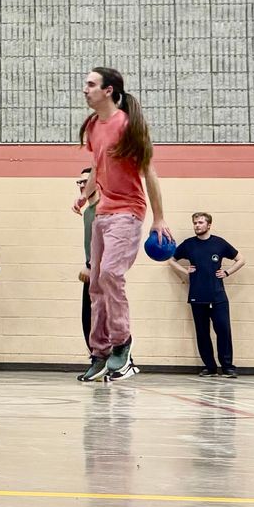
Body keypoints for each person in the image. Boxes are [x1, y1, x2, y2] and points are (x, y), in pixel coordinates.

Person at [74, 67, 173, 383]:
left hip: (128, 212)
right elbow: (97, 166)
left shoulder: (128, 126)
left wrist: (159, 217)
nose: (85, 89)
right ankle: (100, 353)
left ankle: (122, 344)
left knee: (110, 274)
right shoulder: (93, 126)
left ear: (108, 90)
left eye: (91, 84)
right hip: (103, 213)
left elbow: (150, 173)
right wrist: (85, 196)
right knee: (95, 284)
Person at [169, 212, 243, 377]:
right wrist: (185, 271)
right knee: (202, 333)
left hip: (218, 296)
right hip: (197, 296)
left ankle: (228, 367)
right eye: (195, 223)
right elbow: (171, 260)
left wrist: (227, 272)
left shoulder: (219, 243)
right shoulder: (188, 244)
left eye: (200, 222)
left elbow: (241, 259)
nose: (197, 225)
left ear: (209, 225)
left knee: (223, 331)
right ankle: (210, 367)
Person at [75, 167, 96, 354]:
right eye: (79, 182)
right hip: (92, 271)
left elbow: (106, 243)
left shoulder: (103, 210)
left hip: (102, 271)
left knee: (104, 318)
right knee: (87, 318)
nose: (82, 185)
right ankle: (97, 358)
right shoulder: (88, 211)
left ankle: (122, 361)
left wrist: (90, 265)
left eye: (85, 181)